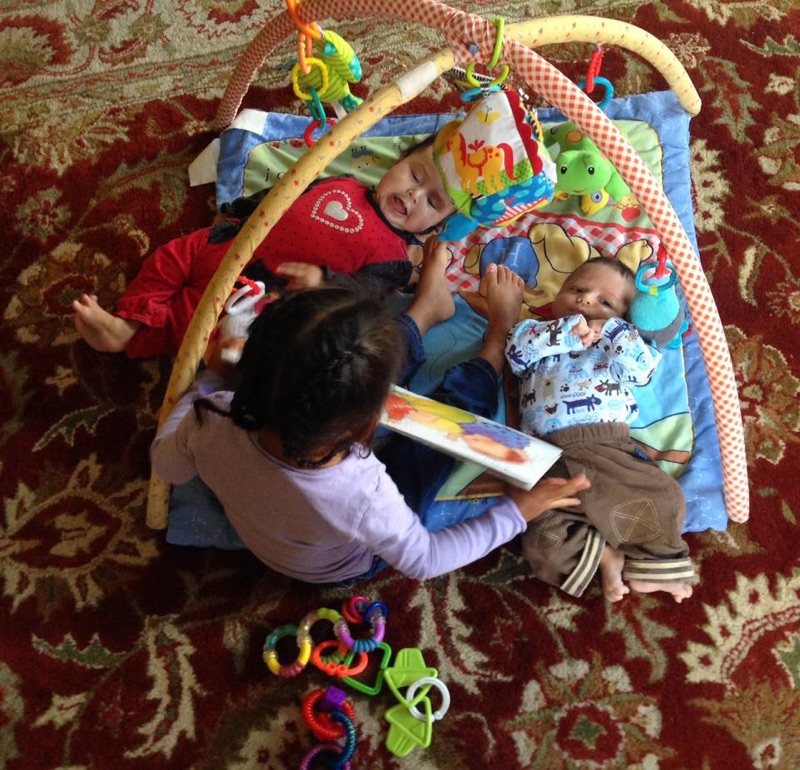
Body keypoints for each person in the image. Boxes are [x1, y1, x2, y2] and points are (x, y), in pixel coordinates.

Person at [150, 242, 590, 584]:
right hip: (345, 567)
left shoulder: (211, 415)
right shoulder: (363, 490)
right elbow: (426, 559)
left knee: (350, 354)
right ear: (376, 419)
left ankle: (424, 310)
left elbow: (165, 464)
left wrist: (208, 381)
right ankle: (496, 339)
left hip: (279, 503)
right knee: (441, 430)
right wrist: (517, 511)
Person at [72, 87, 555, 359]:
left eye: (431, 200)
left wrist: (323, 282)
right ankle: (134, 311)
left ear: (438, 227)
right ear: (394, 163)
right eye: (413, 175)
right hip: (228, 241)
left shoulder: (393, 256)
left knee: (206, 318)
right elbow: (284, 193)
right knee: (170, 257)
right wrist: (238, 213)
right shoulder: (342, 182)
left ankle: (133, 336)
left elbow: (360, 297)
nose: (411, 195)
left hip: (258, 287)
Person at [504, 257, 695, 603]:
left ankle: (652, 567)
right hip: (544, 456)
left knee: (666, 497)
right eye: (576, 289)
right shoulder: (535, 332)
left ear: (623, 317)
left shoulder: (618, 347)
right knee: (540, 538)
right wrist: (562, 334)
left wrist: (612, 332)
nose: (585, 300)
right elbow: (516, 354)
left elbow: (643, 371)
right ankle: (606, 555)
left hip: (605, 445)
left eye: (604, 302)